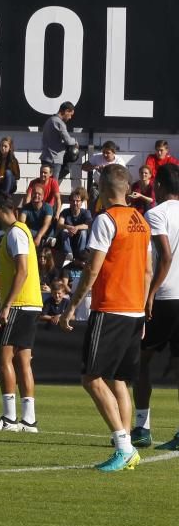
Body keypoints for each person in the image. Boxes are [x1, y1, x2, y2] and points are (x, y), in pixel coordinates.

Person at [58, 164, 151, 472]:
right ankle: (125, 448)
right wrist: (143, 309)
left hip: (111, 308)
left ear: (106, 188)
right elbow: (148, 271)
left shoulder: (106, 220)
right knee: (119, 380)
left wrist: (71, 306)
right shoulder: (140, 219)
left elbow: (92, 269)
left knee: (91, 378)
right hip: (134, 310)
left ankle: (123, 447)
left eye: (97, 185)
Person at [0, 191, 43, 434]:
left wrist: (5, 306)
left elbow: (22, 271)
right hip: (30, 303)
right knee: (22, 360)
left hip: (20, 304)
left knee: (3, 357)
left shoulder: (15, 233)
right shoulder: (20, 231)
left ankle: (9, 418)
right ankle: (29, 420)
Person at [133, 164, 179, 451]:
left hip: (164, 298)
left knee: (140, 360)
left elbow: (163, 257)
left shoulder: (156, 213)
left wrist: (149, 295)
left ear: (159, 186)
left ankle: (142, 427)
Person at [40, 101, 77, 182]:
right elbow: (68, 141)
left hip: (46, 157)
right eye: (70, 114)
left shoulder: (50, 120)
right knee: (53, 184)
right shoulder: (59, 122)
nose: (70, 118)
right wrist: (75, 141)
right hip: (54, 159)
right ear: (66, 111)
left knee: (45, 183)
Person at [55, 188, 92, 262]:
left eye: (77, 201)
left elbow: (88, 225)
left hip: (80, 237)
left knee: (83, 232)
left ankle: (80, 255)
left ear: (81, 202)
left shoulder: (86, 212)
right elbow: (59, 224)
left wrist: (77, 227)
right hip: (69, 237)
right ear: (70, 202)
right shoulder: (65, 212)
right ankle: (68, 254)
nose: (75, 203)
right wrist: (67, 227)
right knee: (64, 231)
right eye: (73, 201)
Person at [19, 183, 54, 248]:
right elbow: (21, 222)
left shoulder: (48, 207)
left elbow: (47, 224)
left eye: (39, 194)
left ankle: (48, 239)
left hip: (44, 231)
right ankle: (47, 240)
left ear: (43, 197)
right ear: (31, 194)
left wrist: (39, 236)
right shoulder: (26, 207)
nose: (36, 195)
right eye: (34, 193)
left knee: (51, 230)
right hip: (31, 231)